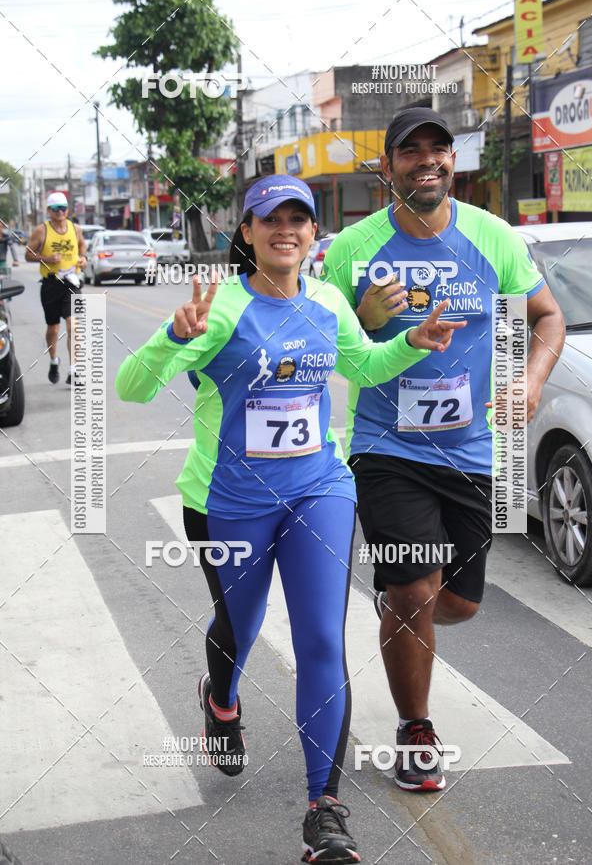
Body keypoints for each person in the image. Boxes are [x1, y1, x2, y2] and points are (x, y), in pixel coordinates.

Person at [115, 174, 466, 862]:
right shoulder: (220, 310)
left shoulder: (329, 299)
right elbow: (133, 387)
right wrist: (168, 336)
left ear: (312, 233)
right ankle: (220, 699)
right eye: (270, 218)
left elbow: (360, 366)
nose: (287, 229)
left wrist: (412, 343)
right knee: (238, 629)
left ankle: (323, 813)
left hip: (319, 489)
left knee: (318, 641)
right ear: (247, 232)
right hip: (227, 503)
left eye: (299, 219)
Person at [321, 107, 565, 792]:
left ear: (452, 162)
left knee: (455, 604)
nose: (426, 161)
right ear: (389, 166)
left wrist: (532, 378)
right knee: (413, 583)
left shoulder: (493, 238)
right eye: (410, 152)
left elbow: (548, 317)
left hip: (473, 450)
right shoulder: (353, 250)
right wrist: (365, 322)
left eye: (438, 150)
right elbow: (322, 343)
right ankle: (415, 728)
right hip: (385, 445)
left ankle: (401, 604)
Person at [25, 192, 87, 384]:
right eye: (56, 209)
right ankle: (54, 360)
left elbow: (82, 246)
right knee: (53, 327)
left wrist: (83, 259)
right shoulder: (41, 231)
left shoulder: (75, 229)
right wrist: (47, 258)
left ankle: (74, 370)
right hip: (51, 283)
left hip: (71, 282)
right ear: (49, 211)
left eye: (63, 208)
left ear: (67, 210)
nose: (60, 212)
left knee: (73, 325)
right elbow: (28, 254)